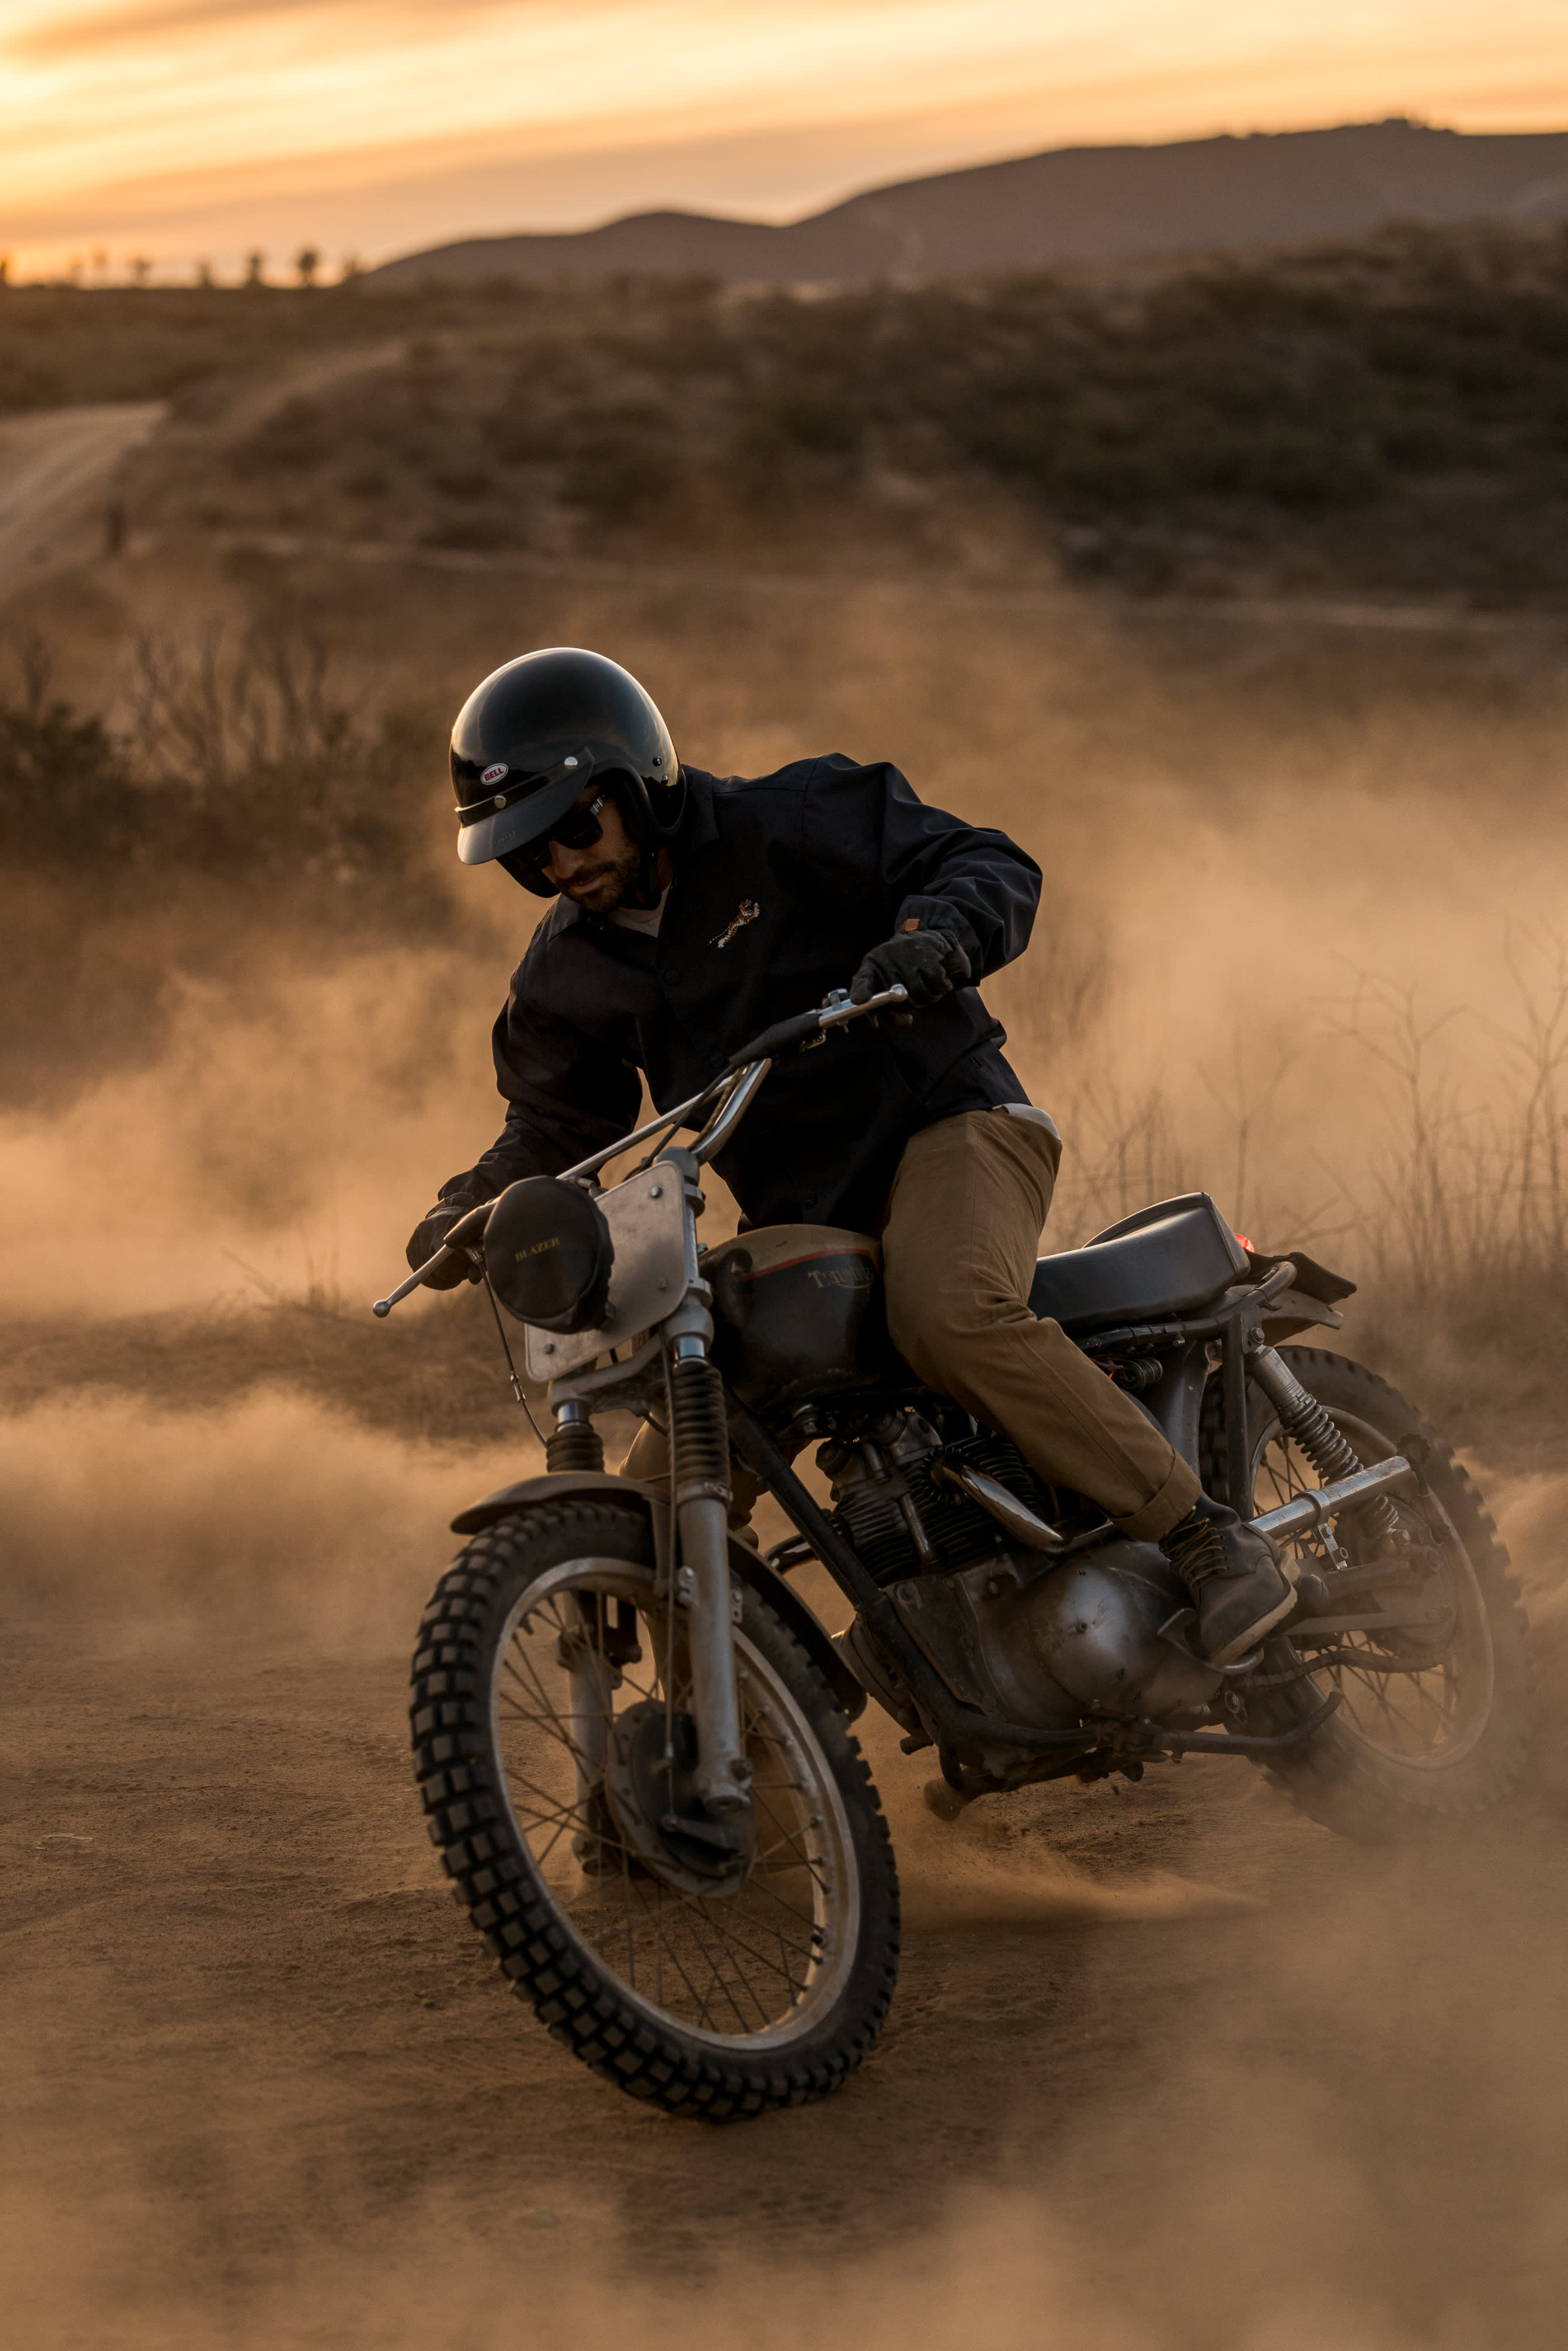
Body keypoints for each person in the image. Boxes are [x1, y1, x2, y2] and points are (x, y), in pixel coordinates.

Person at [407, 647, 1291, 1666]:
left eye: (572, 825)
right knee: (658, 1488)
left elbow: (984, 862)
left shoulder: (790, 820)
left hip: (950, 1124)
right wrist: (472, 1202)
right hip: (801, 1214)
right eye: (529, 853)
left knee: (947, 1311)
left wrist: (935, 934)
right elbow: (552, 1127)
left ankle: (1207, 1536)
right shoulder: (565, 971)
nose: (562, 864)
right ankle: (757, 1779)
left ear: (636, 785)